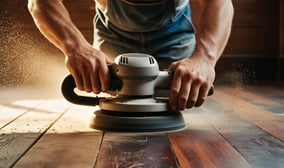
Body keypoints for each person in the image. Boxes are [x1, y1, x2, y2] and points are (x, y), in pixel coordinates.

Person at [27, 0, 234, 111]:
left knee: (181, 102)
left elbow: (220, 2)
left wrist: (204, 59)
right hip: (113, 45)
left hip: (174, 43)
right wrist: (75, 47)